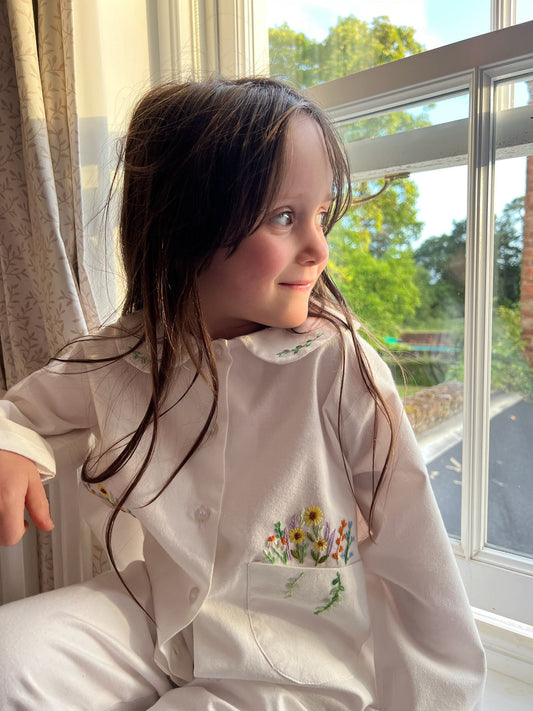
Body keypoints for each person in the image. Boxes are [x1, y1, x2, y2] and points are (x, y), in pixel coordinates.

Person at [0, 77, 485, 710]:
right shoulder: (121, 354)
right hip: (158, 618)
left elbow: (421, 569)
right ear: (184, 225)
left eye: (319, 214)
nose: (318, 247)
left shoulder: (336, 366)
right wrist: (13, 448)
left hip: (291, 666)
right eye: (285, 217)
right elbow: (20, 410)